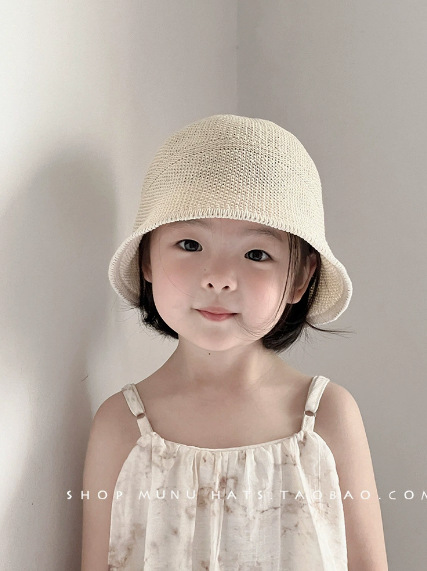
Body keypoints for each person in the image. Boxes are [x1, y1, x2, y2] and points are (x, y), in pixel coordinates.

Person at [81, 114, 388, 570]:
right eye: (190, 244)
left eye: (256, 254)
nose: (220, 277)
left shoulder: (327, 416)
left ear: (300, 279)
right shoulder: (121, 425)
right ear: (146, 258)